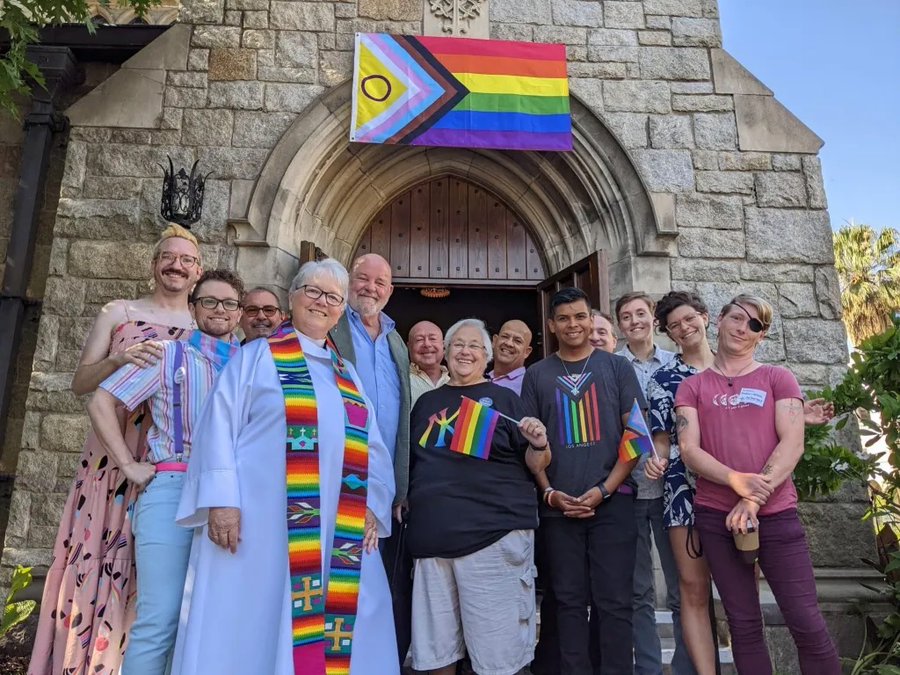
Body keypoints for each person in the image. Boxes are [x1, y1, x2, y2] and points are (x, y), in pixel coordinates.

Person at [172, 259, 398, 675]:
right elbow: (217, 427)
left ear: (340, 309)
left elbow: (375, 448)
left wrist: (373, 504)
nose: (322, 302)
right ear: (291, 298)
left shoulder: (347, 374)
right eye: (313, 291)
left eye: (333, 297)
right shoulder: (255, 358)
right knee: (254, 617)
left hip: (337, 527)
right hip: (262, 525)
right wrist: (222, 501)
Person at [28, 224, 202, 675]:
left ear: (198, 271)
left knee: (159, 581)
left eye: (186, 259)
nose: (176, 265)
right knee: (108, 557)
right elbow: (81, 385)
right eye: (168, 256)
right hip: (116, 458)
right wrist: (119, 360)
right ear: (153, 265)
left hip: (175, 464)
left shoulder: (203, 325)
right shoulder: (119, 312)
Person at [645, 291, 838, 675]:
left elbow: (792, 442)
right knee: (744, 624)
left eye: (754, 324)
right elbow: (689, 449)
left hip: (777, 514)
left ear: (760, 336)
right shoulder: (692, 387)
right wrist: (736, 482)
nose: (742, 328)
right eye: (737, 317)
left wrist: (751, 499)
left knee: (806, 622)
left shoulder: (777, 377)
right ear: (719, 319)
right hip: (716, 517)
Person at [87, 270, 244, 674]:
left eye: (229, 303)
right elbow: (101, 402)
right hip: (174, 486)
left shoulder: (251, 364)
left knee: (208, 620)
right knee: (160, 619)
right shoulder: (166, 354)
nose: (219, 310)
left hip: (230, 496)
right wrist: (128, 464)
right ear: (193, 308)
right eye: (209, 301)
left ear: (240, 313)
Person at [407, 318, 551, 675]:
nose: (465, 351)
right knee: (435, 656)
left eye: (474, 346)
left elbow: (537, 463)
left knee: (498, 660)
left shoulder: (505, 400)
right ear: (446, 351)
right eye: (458, 344)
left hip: (493, 540)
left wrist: (539, 442)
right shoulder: (425, 403)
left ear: (487, 356)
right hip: (432, 545)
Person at [523, 287, 644, 674]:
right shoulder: (537, 375)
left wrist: (605, 489)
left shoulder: (616, 368)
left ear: (592, 321)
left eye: (580, 317)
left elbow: (637, 436)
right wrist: (550, 493)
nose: (573, 324)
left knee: (615, 604)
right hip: (560, 511)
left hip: (614, 504)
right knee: (568, 603)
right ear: (551, 325)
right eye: (564, 319)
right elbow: (533, 446)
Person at [328, 252, 412, 666]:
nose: (370, 289)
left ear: (390, 290)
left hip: (382, 484)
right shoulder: (332, 325)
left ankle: (374, 661)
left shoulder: (397, 338)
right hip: (336, 475)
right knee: (336, 582)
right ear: (348, 282)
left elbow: (402, 425)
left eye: (380, 283)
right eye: (363, 279)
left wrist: (400, 486)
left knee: (379, 586)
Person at [615, 292, 689, 675]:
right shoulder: (610, 367)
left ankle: (686, 664)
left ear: (653, 319)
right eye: (626, 316)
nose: (634, 321)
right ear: (619, 325)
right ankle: (646, 667)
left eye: (640, 314)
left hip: (673, 493)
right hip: (629, 492)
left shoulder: (677, 364)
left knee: (682, 587)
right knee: (638, 590)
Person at [408, 320, 449, 406]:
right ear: (409, 347)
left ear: (444, 346)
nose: (427, 344)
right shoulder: (400, 382)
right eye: (419, 340)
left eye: (432, 339)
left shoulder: (455, 382)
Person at [488, 319, 533, 395]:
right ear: (494, 341)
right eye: (505, 336)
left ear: (527, 352)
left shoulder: (530, 385)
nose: (509, 343)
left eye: (517, 341)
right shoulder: (479, 379)